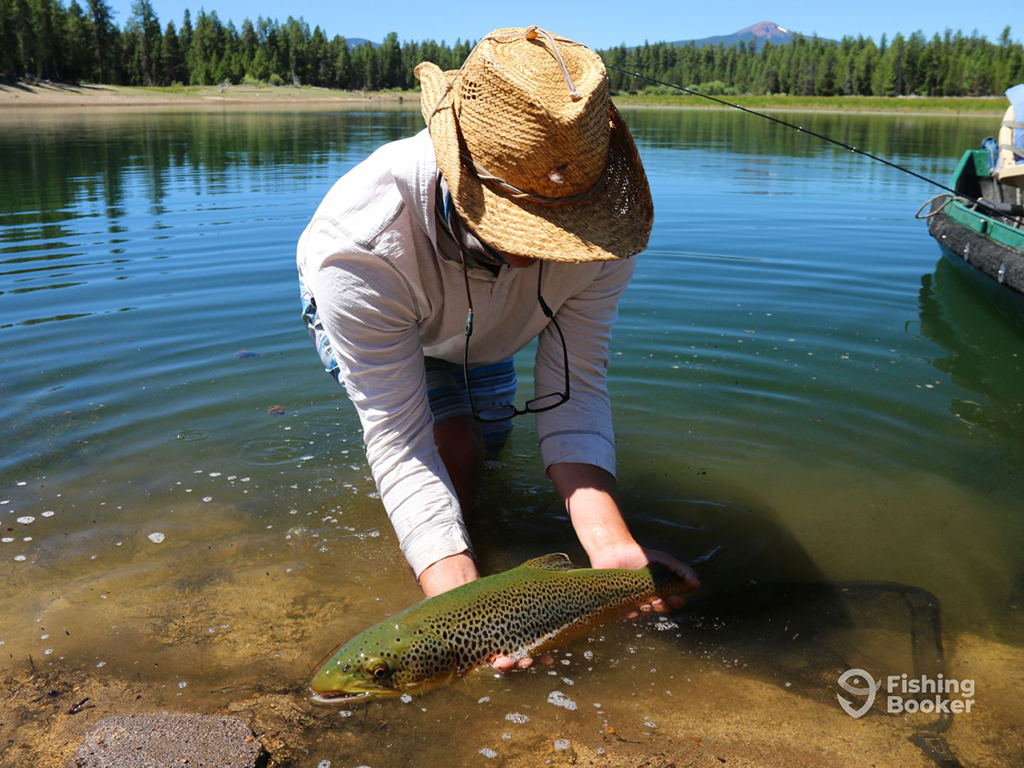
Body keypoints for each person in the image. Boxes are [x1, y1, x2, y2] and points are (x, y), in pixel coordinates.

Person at [296, 26, 699, 669]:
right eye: (534, 230)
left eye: (566, 227)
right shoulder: (359, 246)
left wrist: (613, 548)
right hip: (398, 307)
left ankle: (465, 534)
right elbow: (400, 440)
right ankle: (450, 563)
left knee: (480, 453)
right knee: (449, 446)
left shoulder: (605, 235)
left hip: (490, 325)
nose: (553, 247)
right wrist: (464, 618)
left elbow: (575, 389)